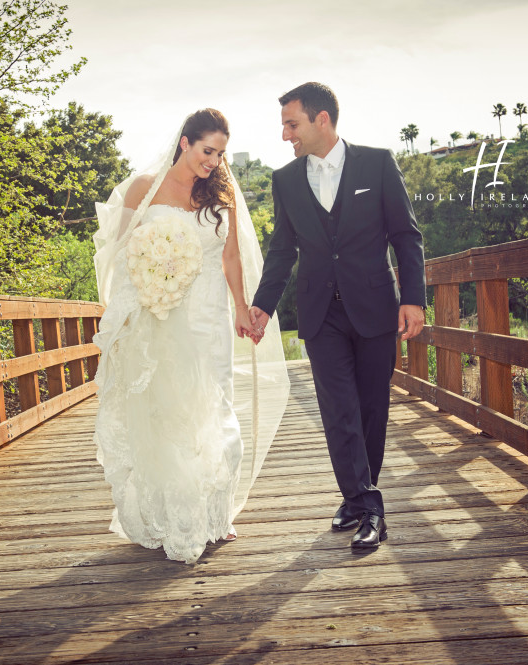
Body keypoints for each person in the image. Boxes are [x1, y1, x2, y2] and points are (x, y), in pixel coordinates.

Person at [91, 109, 289, 564]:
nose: (214, 162)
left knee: (214, 409)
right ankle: (168, 519)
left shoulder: (221, 193)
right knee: (165, 412)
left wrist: (241, 306)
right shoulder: (144, 189)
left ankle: (214, 515)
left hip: (207, 318)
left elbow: (232, 259)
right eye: (207, 151)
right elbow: (122, 255)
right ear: (184, 143)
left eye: (220, 154)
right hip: (157, 315)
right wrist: (139, 295)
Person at [250, 83, 426, 550]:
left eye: (293, 124)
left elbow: (406, 236)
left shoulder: (378, 163)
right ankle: (370, 508)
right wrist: (263, 305)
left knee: (371, 409)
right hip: (319, 312)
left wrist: (414, 297)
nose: (286, 133)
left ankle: (354, 495)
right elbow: (282, 250)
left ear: (321, 119)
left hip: (374, 307)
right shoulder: (285, 180)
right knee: (339, 409)